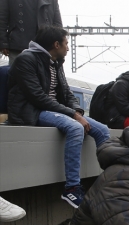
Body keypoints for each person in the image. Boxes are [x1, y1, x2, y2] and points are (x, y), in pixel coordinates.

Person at [7, 25, 110, 208]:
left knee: (102, 131)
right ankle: (71, 188)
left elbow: (67, 93)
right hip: (32, 110)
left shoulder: (55, 62)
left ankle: (107, 182)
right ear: (56, 44)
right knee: (75, 127)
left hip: (55, 109)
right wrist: (72, 116)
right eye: (66, 43)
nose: (68, 48)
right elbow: (37, 96)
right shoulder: (26, 60)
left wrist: (76, 110)